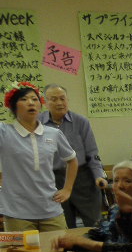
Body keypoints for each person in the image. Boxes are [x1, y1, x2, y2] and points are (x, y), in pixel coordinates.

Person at [0, 81, 76, 231]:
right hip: (17, 212)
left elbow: (72, 160)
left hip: (51, 208)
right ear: (13, 106)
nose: (31, 103)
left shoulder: (53, 133)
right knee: (22, 248)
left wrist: (67, 189)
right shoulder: (4, 132)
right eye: (24, 99)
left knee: (60, 245)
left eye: (35, 99)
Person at [56, 159, 132, 252]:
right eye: (116, 180)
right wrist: (77, 241)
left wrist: (87, 243)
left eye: (127, 181)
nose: (119, 186)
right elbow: (99, 233)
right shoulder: (115, 209)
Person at [40, 84, 107, 227]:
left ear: (67, 100)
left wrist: (98, 176)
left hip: (83, 179)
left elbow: (92, 153)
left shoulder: (81, 121)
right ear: (45, 102)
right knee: (62, 226)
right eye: (54, 99)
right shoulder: (37, 123)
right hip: (54, 181)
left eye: (62, 98)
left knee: (94, 225)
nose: (59, 103)